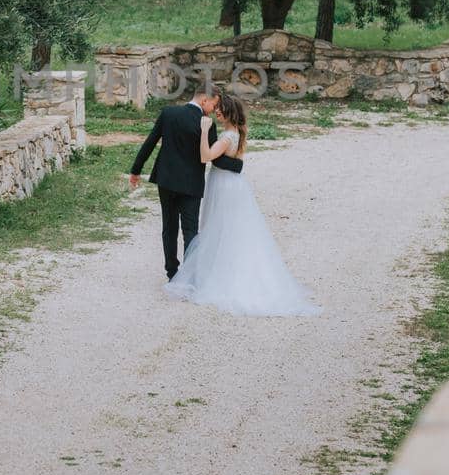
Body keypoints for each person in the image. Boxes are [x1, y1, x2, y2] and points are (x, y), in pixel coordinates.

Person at [165, 93, 320, 317]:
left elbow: (205, 156)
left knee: (222, 228)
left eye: (220, 109)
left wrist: (205, 131)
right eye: (216, 108)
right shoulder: (234, 132)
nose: (216, 112)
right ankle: (221, 270)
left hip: (224, 185)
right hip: (230, 183)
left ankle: (222, 275)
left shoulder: (228, 136)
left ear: (229, 111)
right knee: (228, 229)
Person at [129, 88, 229, 280]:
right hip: (191, 184)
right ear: (204, 100)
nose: (213, 110)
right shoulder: (207, 124)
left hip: (166, 180)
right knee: (190, 229)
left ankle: (172, 273)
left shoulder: (168, 113)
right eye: (213, 105)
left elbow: (150, 142)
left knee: (169, 226)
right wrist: (237, 162)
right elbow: (213, 159)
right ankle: (190, 276)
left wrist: (136, 170)